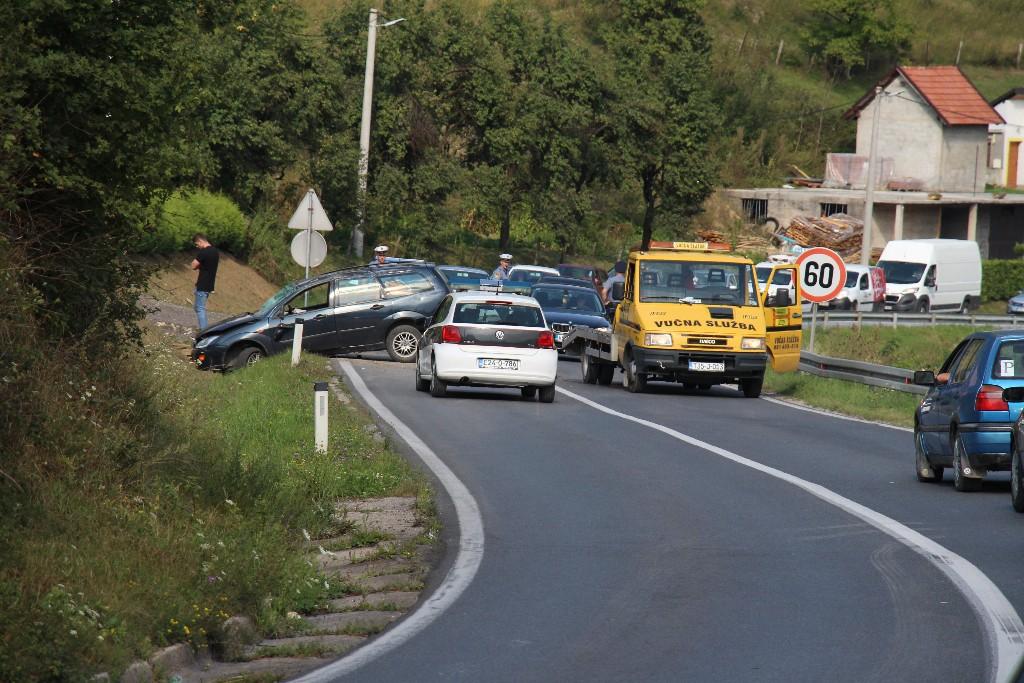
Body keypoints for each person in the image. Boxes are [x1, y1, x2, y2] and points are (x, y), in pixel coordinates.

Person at [191, 233, 219, 330]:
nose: (197, 246)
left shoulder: (204, 252)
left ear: (200, 241)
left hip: (202, 284)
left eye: (196, 244)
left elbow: (193, 265)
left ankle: (204, 331)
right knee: (198, 307)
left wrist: (199, 265)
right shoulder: (215, 251)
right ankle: (204, 329)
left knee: (200, 308)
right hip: (209, 285)